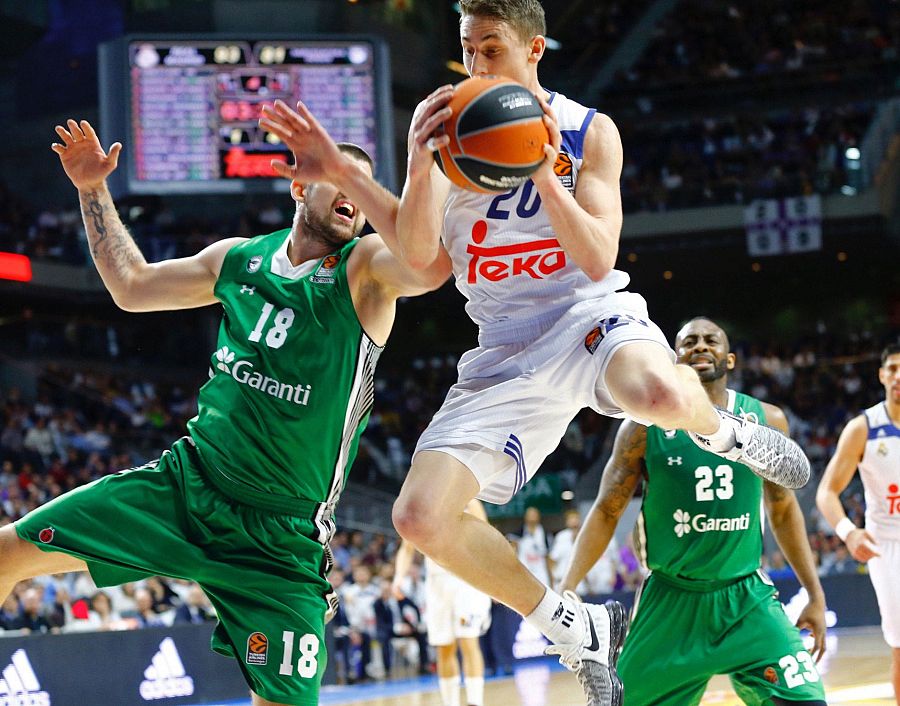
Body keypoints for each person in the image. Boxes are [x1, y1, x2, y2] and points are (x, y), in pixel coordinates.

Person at [390, 1, 811, 704]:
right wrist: (415, 157)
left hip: (588, 315)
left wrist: (543, 171)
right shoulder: (446, 134)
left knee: (657, 396)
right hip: (503, 347)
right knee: (419, 517)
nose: (475, 67)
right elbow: (413, 260)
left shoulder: (590, 130)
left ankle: (734, 436)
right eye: (467, 51)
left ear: (534, 48)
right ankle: (573, 626)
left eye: (490, 49)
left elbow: (596, 257)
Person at [0, 106, 445, 706]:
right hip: (188, 486)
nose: (353, 199)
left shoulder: (364, 272)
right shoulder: (237, 259)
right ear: (298, 186)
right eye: (337, 178)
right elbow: (132, 288)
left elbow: (426, 264)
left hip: (281, 534)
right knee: (6, 553)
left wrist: (425, 160)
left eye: (362, 189)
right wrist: (92, 190)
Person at [562, 317, 827, 705]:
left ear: (730, 359)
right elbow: (605, 510)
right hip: (671, 603)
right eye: (689, 342)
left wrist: (815, 595)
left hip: (745, 598)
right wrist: (567, 590)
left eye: (711, 340)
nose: (700, 346)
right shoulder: (641, 427)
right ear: (674, 359)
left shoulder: (768, 420)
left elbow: (784, 511)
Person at [817, 343, 900, 705]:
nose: (898, 376)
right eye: (893, 368)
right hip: (889, 546)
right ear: (882, 375)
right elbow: (826, 493)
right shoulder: (863, 428)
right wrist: (849, 533)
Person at [393, 499, 492, 706]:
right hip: (436, 582)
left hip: (467, 580)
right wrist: (398, 578)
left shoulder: (469, 499)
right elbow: (407, 548)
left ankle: (476, 702)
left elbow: (486, 538)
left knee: (468, 641)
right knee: (444, 647)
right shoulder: (421, 504)